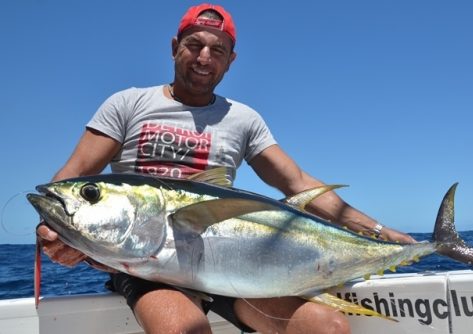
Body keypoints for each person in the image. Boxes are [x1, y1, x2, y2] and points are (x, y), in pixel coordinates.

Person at [37, 4, 416, 334]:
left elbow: (297, 183)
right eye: (194, 45)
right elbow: (69, 180)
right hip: (146, 264)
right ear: (174, 48)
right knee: (185, 329)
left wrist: (381, 232)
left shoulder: (243, 119)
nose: (205, 58)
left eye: (218, 50)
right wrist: (54, 230)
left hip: (229, 266)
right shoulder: (128, 104)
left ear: (231, 59)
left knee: (326, 327)